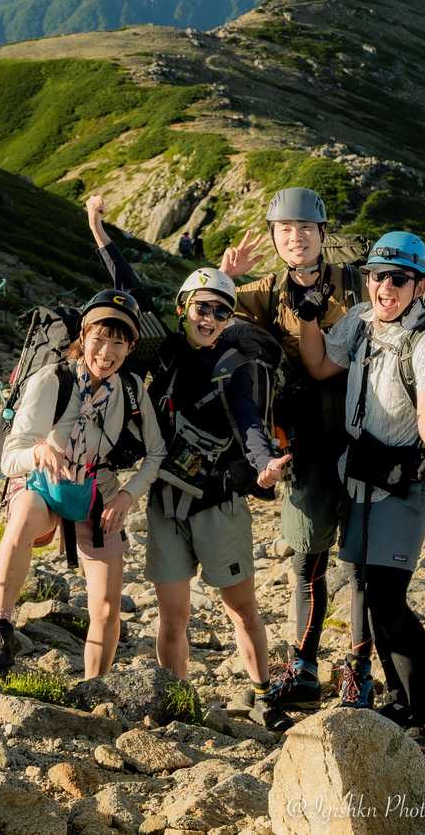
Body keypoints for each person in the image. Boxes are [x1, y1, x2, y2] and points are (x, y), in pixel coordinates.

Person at [297, 230, 425, 759]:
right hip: (361, 473)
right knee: (366, 588)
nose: (385, 287)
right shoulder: (361, 321)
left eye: (398, 279)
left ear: (420, 285)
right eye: (376, 276)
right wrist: (308, 318)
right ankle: (400, 704)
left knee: (387, 596)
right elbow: (321, 365)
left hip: (406, 476)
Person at [219, 188, 364, 713]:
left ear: (323, 234)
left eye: (304, 228)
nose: (295, 237)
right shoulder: (263, 292)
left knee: (362, 563)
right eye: (285, 229)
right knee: (308, 558)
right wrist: (225, 276)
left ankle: (360, 672)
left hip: (364, 438)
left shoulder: (358, 282)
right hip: (305, 443)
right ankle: (303, 668)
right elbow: (203, 317)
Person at [0, 290, 165, 677]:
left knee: (107, 609)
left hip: (97, 492)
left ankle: (94, 686)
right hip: (42, 486)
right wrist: (38, 453)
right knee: (22, 517)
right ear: (83, 335)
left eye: (118, 342)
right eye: (99, 338)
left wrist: (127, 496)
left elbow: (157, 452)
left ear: (131, 348)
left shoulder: (131, 389)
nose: (106, 352)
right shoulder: (52, 380)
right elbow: (10, 458)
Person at [144, 266, 293, 727]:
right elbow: (134, 289)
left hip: (217, 501)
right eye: (201, 308)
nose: (208, 318)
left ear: (229, 320)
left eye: (220, 312)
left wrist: (265, 464)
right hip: (166, 502)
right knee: (173, 616)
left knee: (241, 608)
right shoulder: (166, 353)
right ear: (183, 308)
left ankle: (263, 695)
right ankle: (177, 702)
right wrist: (100, 236)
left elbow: (249, 422)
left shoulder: (234, 369)